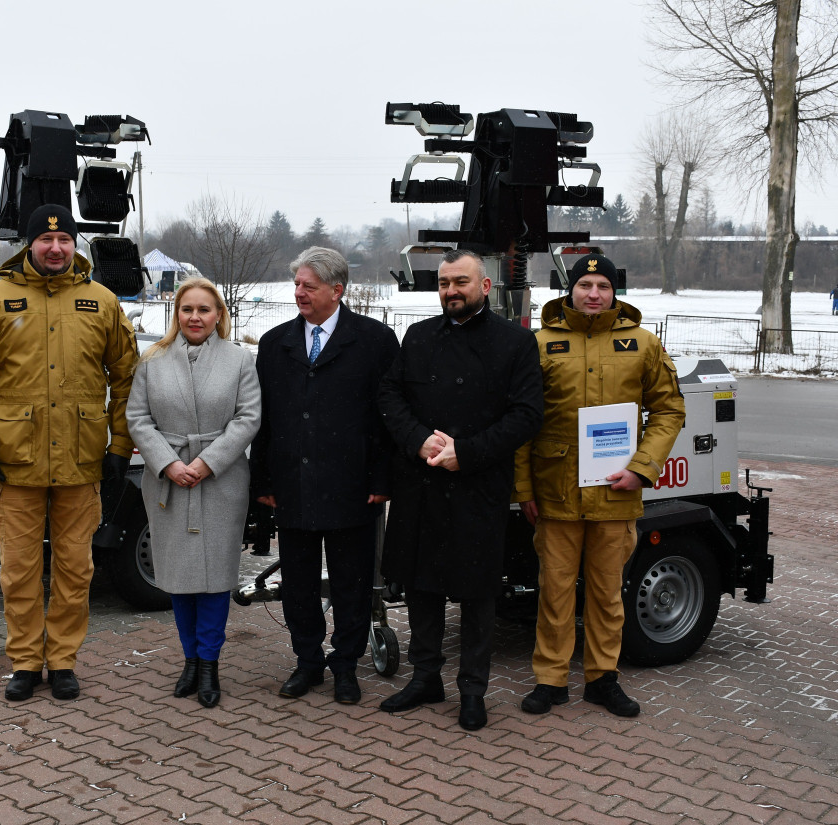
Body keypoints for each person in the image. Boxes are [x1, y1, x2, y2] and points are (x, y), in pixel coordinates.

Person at [0, 204, 138, 702]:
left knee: (76, 570)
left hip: (81, 463)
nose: (55, 249)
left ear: (75, 245)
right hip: (15, 464)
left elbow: (128, 380)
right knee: (19, 570)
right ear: (29, 245)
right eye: (45, 241)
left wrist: (120, 444)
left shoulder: (102, 303)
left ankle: (63, 661)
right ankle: (26, 661)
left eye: (65, 241)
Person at [376, 249, 544, 731]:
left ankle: (473, 689)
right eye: (445, 282)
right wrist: (419, 439)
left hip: (478, 485)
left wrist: (465, 452)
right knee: (421, 585)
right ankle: (426, 677)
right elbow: (390, 395)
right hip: (421, 483)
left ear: (485, 287)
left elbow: (527, 415)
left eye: (461, 282)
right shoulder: (418, 336)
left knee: (476, 593)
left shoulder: (515, 343)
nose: (452, 290)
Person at [514, 253, 685, 717]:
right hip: (556, 493)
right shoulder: (539, 344)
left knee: (609, 593)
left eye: (603, 286)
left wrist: (643, 467)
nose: (594, 294)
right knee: (554, 591)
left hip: (617, 492)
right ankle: (550, 680)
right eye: (585, 284)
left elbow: (669, 410)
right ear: (570, 290)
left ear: (615, 292)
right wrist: (524, 489)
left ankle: (602, 679)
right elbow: (522, 422)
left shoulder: (643, 344)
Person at [250, 246, 400, 705]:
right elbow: (264, 421)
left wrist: (382, 480)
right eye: (296, 285)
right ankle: (307, 662)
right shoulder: (276, 344)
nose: (299, 293)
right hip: (293, 487)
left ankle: (346, 666)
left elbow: (389, 418)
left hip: (354, 488)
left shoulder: (374, 341)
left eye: (308, 287)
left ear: (337, 291)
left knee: (352, 583)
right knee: (297, 583)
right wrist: (264, 483)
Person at [126, 278, 260, 709]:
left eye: (204, 310)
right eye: (187, 310)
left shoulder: (240, 360)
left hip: (220, 481)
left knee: (215, 579)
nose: (196, 318)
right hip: (168, 479)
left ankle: (210, 666)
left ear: (219, 314)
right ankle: (189, 660)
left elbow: (247, 418)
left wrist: (206, 463)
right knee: (180, 580)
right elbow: (138, 418)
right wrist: (169, 463)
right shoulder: (153, 360)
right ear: (176, 314)